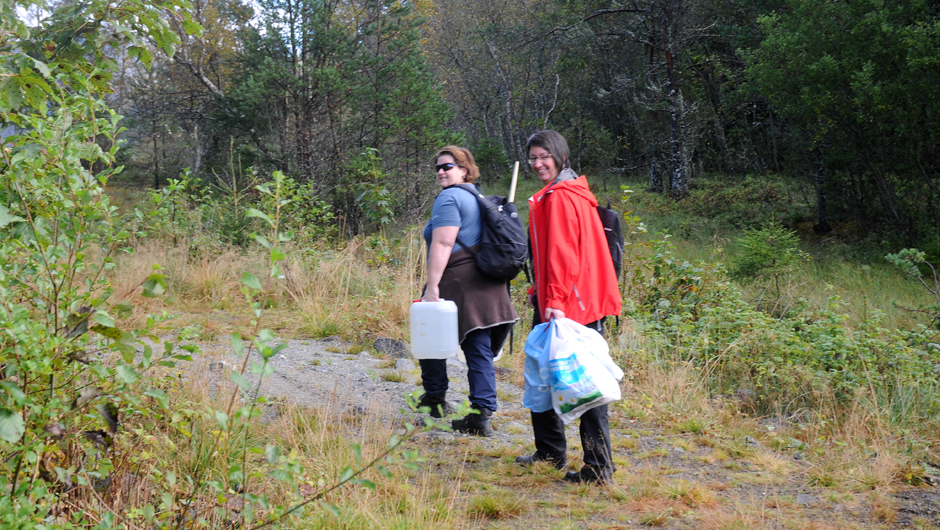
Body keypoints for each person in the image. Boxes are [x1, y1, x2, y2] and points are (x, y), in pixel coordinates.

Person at [515, 130, 622, 483]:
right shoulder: (567, 191)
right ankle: (550, 452)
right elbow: (551, 254)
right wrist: (539, 289)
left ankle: (597, 468)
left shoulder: (562, 197)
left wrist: (556, 302)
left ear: (560, 156)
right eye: (533, 157)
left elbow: (564, 254)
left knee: (584, 382)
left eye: (544, 156)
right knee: (545, 373)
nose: (538, 163)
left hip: (570, 305)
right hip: (562, 299)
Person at [417, 146, 518, 436]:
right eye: (437, 167)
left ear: (464, 169)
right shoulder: (479, 197)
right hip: (487, 280)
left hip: (459, 281)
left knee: (430, 334)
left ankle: (435, 399)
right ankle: (480, 414)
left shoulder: (449, 197)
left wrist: (433, 287)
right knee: (479, 348)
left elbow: (444, 243)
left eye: (447, 166)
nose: (440, 172)